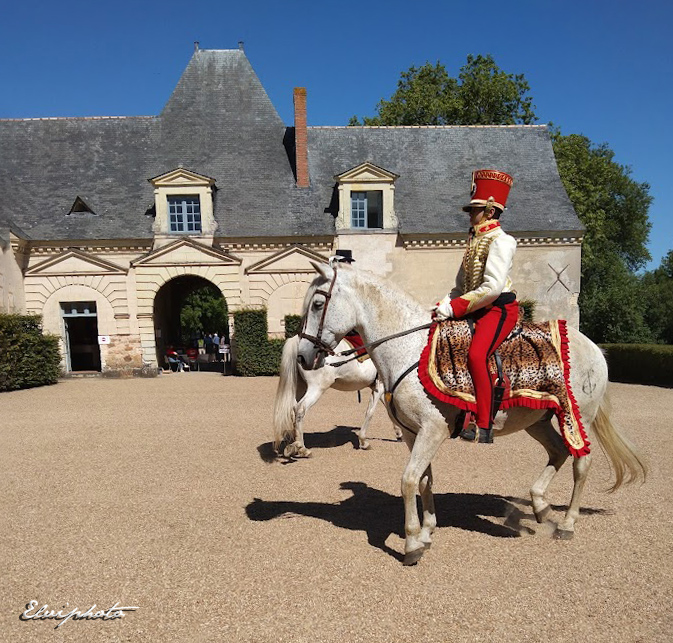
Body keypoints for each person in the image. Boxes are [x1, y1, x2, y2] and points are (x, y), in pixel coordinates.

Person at [433, 169, 518, 444]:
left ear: (491, 211)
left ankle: (484, 423)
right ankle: (460, 410)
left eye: (475, 210)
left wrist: (456, 308)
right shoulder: (474, 242)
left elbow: (492, 288)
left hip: (497, 309)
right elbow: (461, 287)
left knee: (476, 355)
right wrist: (445, 304)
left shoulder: (502, 241)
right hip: (475, 307)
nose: (470, 214)